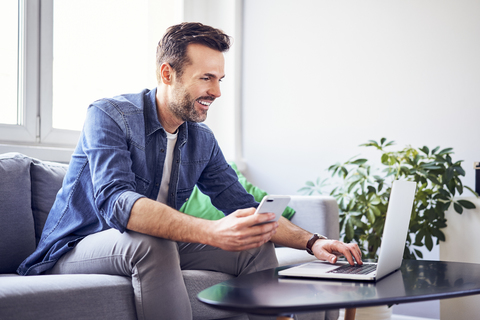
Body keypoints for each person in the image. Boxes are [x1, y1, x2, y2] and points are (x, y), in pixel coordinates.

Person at [18, 22, 362, 319]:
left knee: (253, 242)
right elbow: (116, 202)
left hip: (151, 244)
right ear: (167, 74)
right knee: (153, 243)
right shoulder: (110, 116)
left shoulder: (200, 139)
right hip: (76, 247)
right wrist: (211, 232)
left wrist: (314, 241)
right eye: (206, 78)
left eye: (220, 79)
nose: (216, 91)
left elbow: (244, 207)